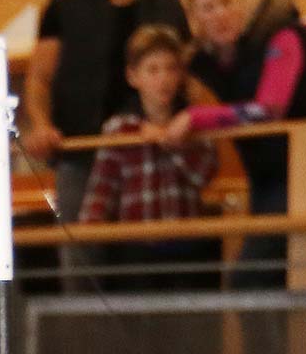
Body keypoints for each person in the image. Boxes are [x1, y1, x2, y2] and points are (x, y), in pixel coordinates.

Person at [22, 0, 191, 259]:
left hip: (151, 153)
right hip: (83, 152)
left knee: (151, 262)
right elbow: (39, 78)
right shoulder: (66, 3)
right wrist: (40, 123)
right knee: (80, 261)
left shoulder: (166, 1)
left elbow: (189, 75)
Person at [167, 0, 306, 289]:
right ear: (195, 17)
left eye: (226, 2)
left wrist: (197, 118)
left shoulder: (283, 36)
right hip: (266, 171)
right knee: (267, 279)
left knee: (249, 278)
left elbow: (269, 109)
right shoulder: (209, 58)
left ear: (240, 4)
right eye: (208, 7)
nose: (220, 14)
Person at [77, 24, 219, 287]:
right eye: (153, 70)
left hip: (186, 249)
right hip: (137, 251)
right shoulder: (120, 129)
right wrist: (89, 232)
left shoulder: (195, 124)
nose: (163, 79)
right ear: (133, 76)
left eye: (170, 68)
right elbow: (102, 190)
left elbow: (204, 175)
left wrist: (170, 141)